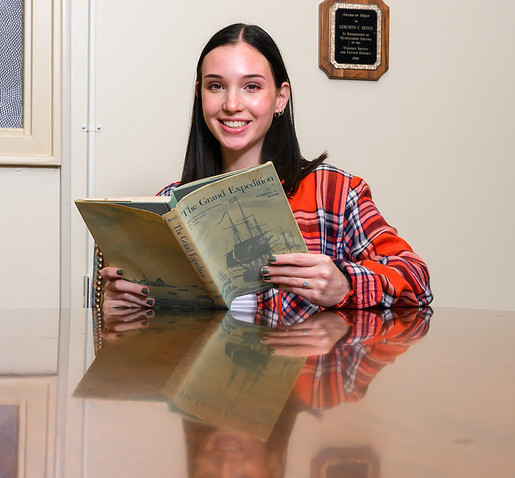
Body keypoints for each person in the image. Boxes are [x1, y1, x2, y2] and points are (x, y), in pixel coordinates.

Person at [100, 23, 432, 317]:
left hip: (303, 383)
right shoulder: (169, 204)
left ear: (280, 98)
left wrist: (345, 284)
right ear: (199, 95)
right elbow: (158, 349)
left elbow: (416, 279)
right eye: (215, 86)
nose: (232, 104)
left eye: (252, 86)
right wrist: (125, 310)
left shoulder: (334, 192)